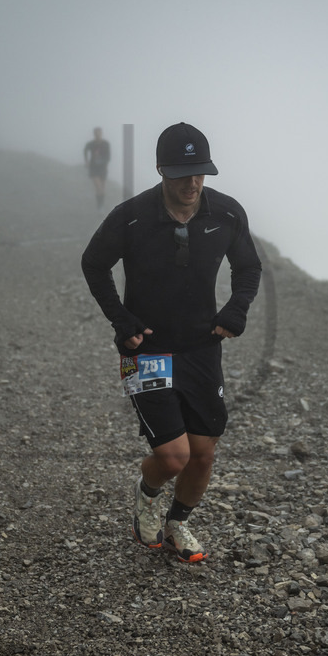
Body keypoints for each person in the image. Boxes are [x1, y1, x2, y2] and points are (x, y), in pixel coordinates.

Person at [81, 122, 262, 562]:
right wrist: (122, 320)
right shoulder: (132, 216)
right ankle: (146, 496)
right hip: (147, 350)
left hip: (201, 347)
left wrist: (235, 310)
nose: (193, 183)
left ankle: (178, 522)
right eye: (183, 174)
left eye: (201, 172)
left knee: (202, 454)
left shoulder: (227, 213)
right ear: (161, 169)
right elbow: (94, 264)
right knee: (174, 456)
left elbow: (248, 268)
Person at [83, 127, 111, 208]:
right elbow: (85, 150)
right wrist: (86, 161)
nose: (97, 135)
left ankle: (100, 205)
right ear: (94, 134)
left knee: (102, 189)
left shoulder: (106, 144)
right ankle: (100, 207)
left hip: (103, 168)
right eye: (96, 133)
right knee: (98, 187)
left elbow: (108, 157)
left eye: (99, 133)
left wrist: (101, 161)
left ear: (101, 133)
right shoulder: (91, 144)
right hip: (93, 168)